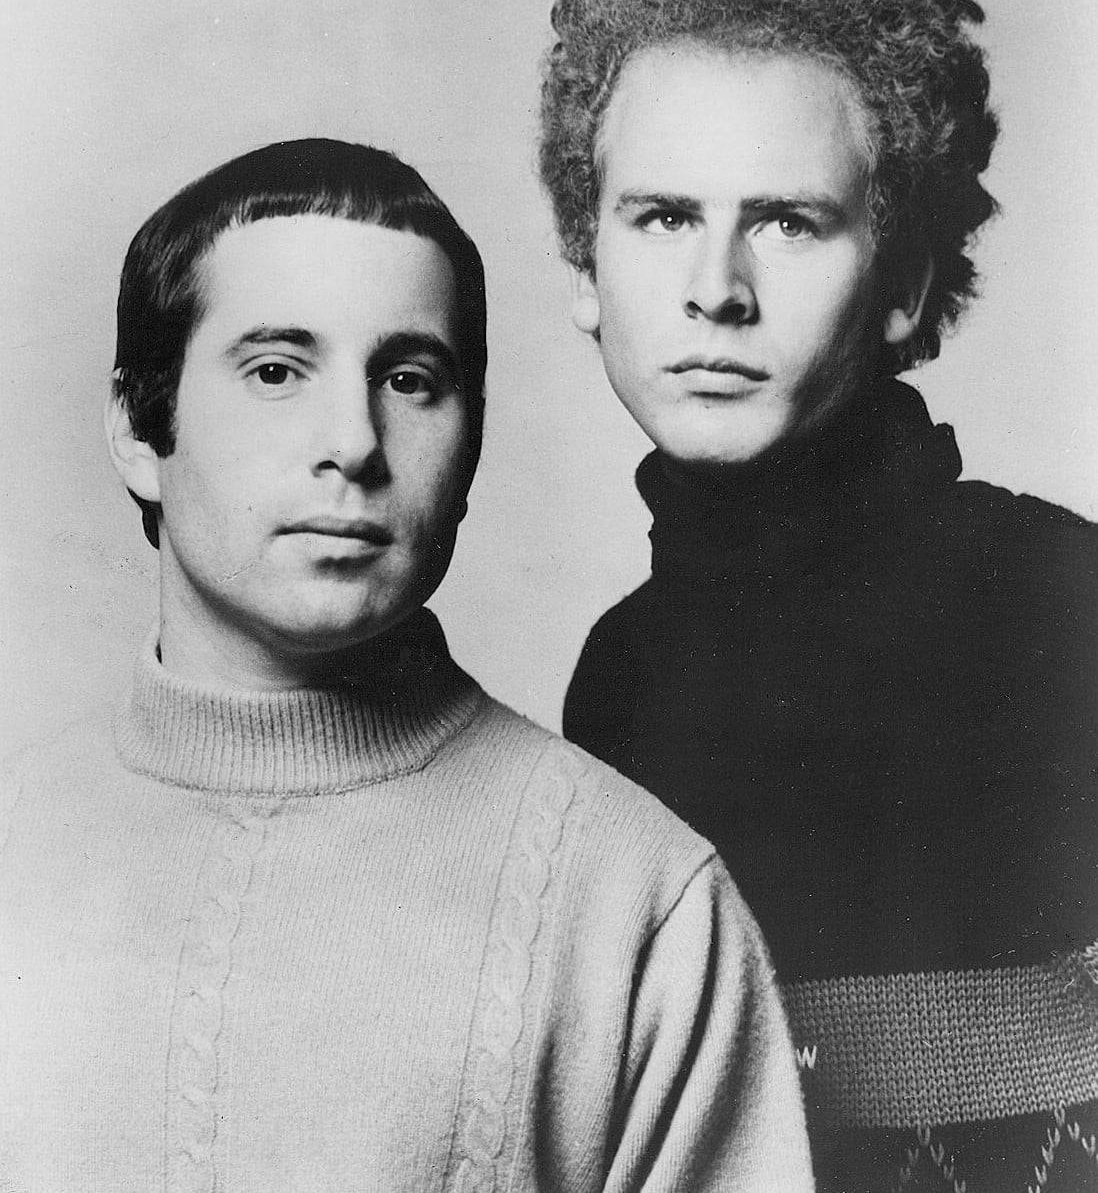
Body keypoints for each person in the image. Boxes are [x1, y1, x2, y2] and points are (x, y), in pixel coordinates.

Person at [0, 139, 813, 1191]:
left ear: (471, 443)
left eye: (410, 380)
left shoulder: (639, 900)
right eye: (276, 371)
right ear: (134, 426)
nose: (354, 440)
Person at [538, 0, 1098, 1193]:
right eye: (662, 216)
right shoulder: (618, 672)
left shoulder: (1062, 601)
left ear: (904, 283)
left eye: (787, 221)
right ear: (585, 269)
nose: (715, 291)